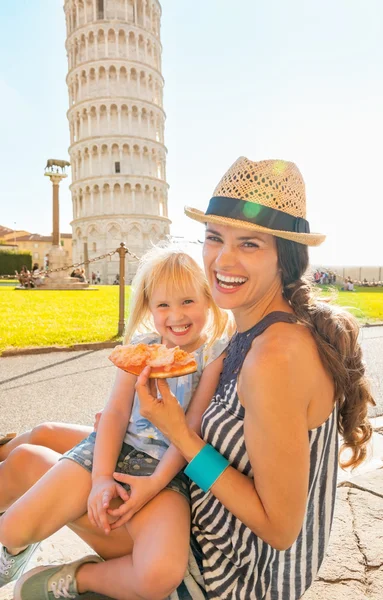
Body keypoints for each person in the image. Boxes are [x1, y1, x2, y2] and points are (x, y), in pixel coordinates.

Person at [2, 157, 374, 600]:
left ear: (285, 258)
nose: (223, 258)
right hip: (186, 492)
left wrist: (176, 431)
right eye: (214, 238)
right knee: (46, 440)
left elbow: (280, 529)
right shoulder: (254, 326)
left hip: (223, 566)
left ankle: (61, 578)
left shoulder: (275, 356)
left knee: (31, 467)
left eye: (250, 244)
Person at [0, 244, 229, 600]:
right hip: (113, 450)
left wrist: (153, 484)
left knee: (160, 574)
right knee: (11, 529)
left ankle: (77, 575)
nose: (176, 315)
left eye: (188, 301)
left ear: (208, 300)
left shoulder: (213, 355)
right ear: (150, 308)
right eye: (163, 305)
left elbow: (191, 432)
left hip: (168, 472)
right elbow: (115, 415)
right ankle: (17, 548)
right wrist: (101, 478)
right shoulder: (141, 349)